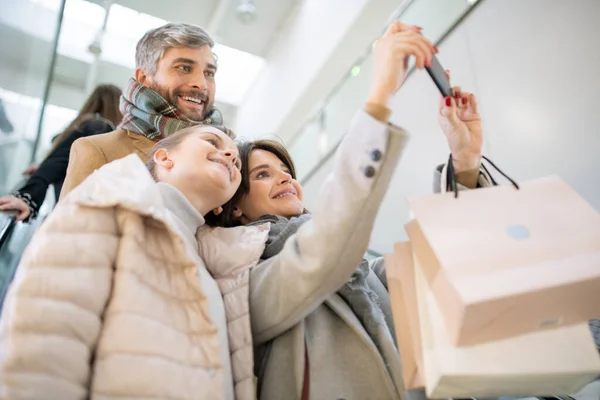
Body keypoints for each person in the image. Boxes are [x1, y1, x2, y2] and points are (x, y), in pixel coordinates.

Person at [203, 21, 491, 400]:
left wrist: (465, 161)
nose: (285, 179)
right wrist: (380, 94)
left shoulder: (359, 270)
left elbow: (428, 259)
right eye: (262, 174)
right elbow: (322, 251)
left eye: (288, 171)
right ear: (236, 206)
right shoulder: (247, 283)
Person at [0, 124, 259, 400]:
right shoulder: (105, 201)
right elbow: (40, 355)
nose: (231, 155)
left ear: (222, 204)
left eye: (237, 161)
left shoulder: (215, 265)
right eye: (212, 142)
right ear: (163, 157)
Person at [60, 22, 233, 198]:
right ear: (144, 78)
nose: (201, 84)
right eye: (184, 68)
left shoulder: (232, 158)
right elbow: (70, 225)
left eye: (209, 73)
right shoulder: (98, 151)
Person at [0, 84, 122, 222]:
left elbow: (62, 158)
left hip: (67, 218)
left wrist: (42, 166)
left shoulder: (81, 126)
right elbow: (60, 161)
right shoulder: (100, 128)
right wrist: (28, 197)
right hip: (78, 221)